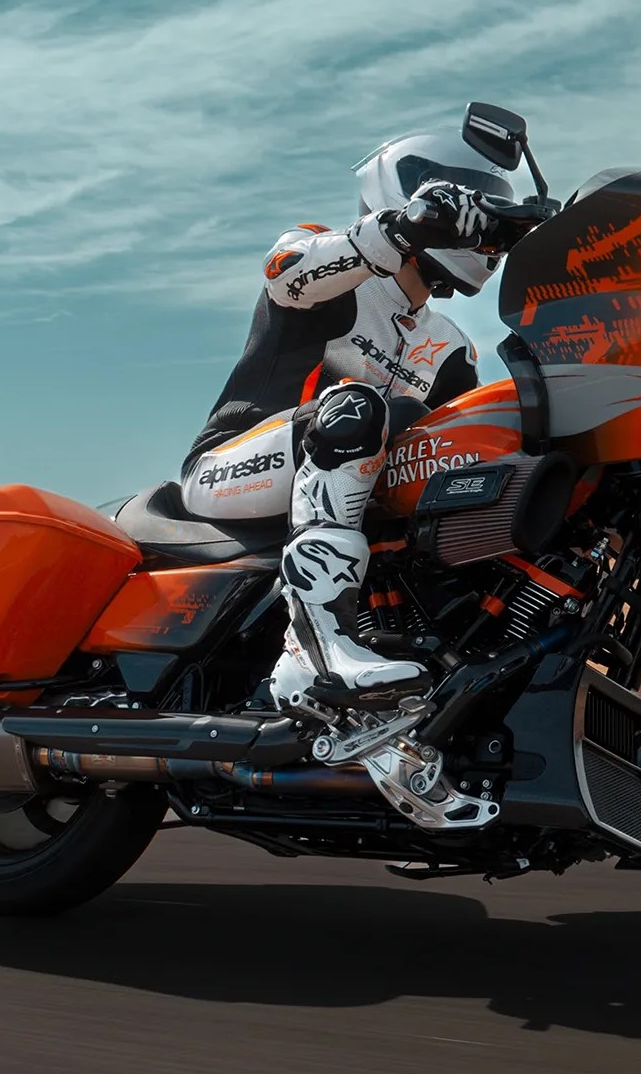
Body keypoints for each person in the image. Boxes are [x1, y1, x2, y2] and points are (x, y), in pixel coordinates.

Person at [179, 130, 517, 708]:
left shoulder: (452, 347)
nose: (478, 217)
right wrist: (407, 225)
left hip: (343, 496)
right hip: (231, 466)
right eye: (469, 196)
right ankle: (312, 649)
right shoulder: (332, 262)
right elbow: (286, 270)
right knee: (362, 406)